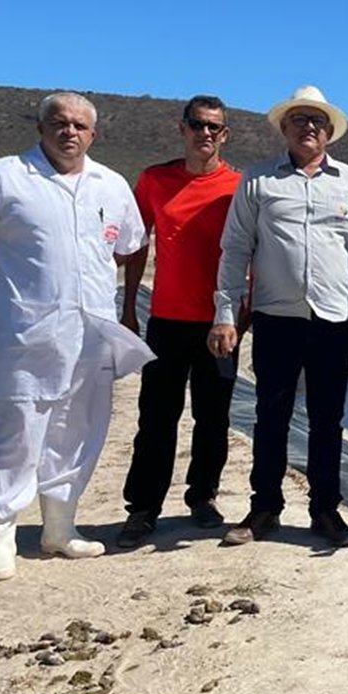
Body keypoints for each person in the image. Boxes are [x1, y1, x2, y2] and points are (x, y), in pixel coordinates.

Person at [0, 92, 150, 583]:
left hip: (90, 334)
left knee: (78, 429)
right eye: (60, 122)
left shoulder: (111, 186)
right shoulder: (0, 178)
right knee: (15, 430)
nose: (69, 132)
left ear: (93, 134)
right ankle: (1, 535)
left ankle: (59, 527)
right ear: (41, 127)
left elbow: (128, 246)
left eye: (80, 125)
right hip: (23, 333)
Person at [209, 85, 348, 547]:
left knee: (329, 420)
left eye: (317, 121)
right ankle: (264, 509)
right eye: (299, 120)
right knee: (271, 416)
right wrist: (225, 314)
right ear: (284, 128)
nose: (309, 127)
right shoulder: (259, 180)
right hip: (275, 320)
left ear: (329, 132)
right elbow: (234, 251)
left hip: (334, 322)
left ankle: (325, 512)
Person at [116, 96, 243, 546]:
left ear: (224, 135)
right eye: (197, 125)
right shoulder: (154, 180)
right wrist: (129, 306)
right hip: (166, 321)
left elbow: (250, 254)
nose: (205, 134)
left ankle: (202, 497)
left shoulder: (239, 187)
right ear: (182, 129)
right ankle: (144, 507)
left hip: (221, 324)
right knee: (156, 416)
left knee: (214, 417)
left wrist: (243, 317)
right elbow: (135, 246)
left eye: (214, 127)